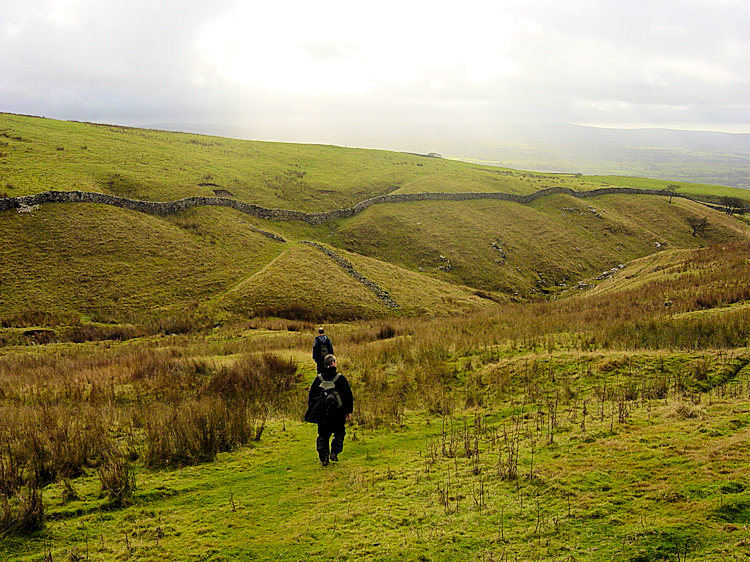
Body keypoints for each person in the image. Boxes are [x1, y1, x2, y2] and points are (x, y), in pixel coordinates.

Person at [307, 354, 353, 467]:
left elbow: (312, 396)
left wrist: (314, 411)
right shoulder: (340, 378)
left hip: (323, 414)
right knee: (339, 433)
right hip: (338, 413)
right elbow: (348, 395)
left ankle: (324, 459)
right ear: (333, 363)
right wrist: (348, 411)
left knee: (323, 435)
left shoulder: (318, 379)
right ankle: (334, 452)